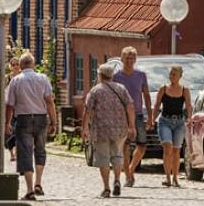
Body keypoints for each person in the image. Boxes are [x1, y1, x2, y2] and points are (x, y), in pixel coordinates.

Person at [3, 53, 57, 200]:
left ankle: (29, 190)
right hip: (41, 118)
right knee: (40, 150)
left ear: (20, 66)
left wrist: (7, 123)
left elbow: (10, 105)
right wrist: (54, 121)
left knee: (25, 153)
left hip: (23, 119)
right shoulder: (42, 78)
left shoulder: (15, 81)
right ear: (33, 65)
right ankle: (38, 183)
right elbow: (49, 101)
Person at [83, 63, 136, 198]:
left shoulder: (95, 90)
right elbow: (130, 107)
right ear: (111, 75)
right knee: (117, 155)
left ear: (100, 75)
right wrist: (131, 125)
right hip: (120, 128)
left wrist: (84, 128)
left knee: (103, 158)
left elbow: (87, 110)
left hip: (101, 129)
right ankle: (117, 180)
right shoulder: (121, 88)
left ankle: (106, 188)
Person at [112, 47, 153, 187]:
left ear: (135, 60)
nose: (129, 61)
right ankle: (129, 177)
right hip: (121, 115)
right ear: (122, 59)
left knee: (142, 145)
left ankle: (130, 169)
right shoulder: (116, 76)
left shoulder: (141, 75)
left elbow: (146, 95)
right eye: (126, 58)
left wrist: (151, 114)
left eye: (132, 58)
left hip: (138, 114)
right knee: (125, 146)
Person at [151, 65, 193, 187]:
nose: (171, 76)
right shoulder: (163, 89)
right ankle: (167, 177)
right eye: (170, 74)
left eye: (174, 74)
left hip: (179, 122)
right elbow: (157, 105)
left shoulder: (185, 90)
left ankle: (175, 178)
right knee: (167, 147)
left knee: (176, 150)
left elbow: (189, 106)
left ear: (180, 76)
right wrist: (152, 120)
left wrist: (189, 118)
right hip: (165, 121)